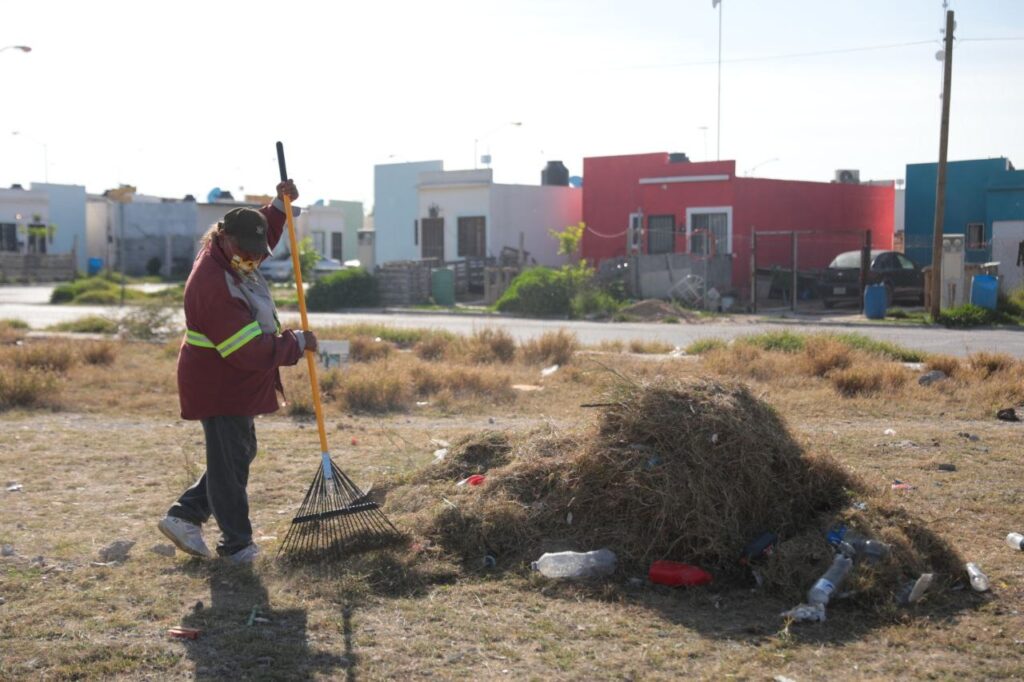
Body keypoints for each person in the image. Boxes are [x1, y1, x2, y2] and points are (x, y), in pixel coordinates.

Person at [157, 180, 316, 564]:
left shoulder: (232, 252)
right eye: (247, 251)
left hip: (231, 381)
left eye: (256, 251)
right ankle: (236, 546)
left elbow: (261, 226)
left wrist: (280, 204)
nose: (254, 258)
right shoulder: (213, 284)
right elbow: (246, 351)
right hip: (219, 384)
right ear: (224, 239)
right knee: (230, 464)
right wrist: (295, 344)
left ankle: (184, 516)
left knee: (238, 454)